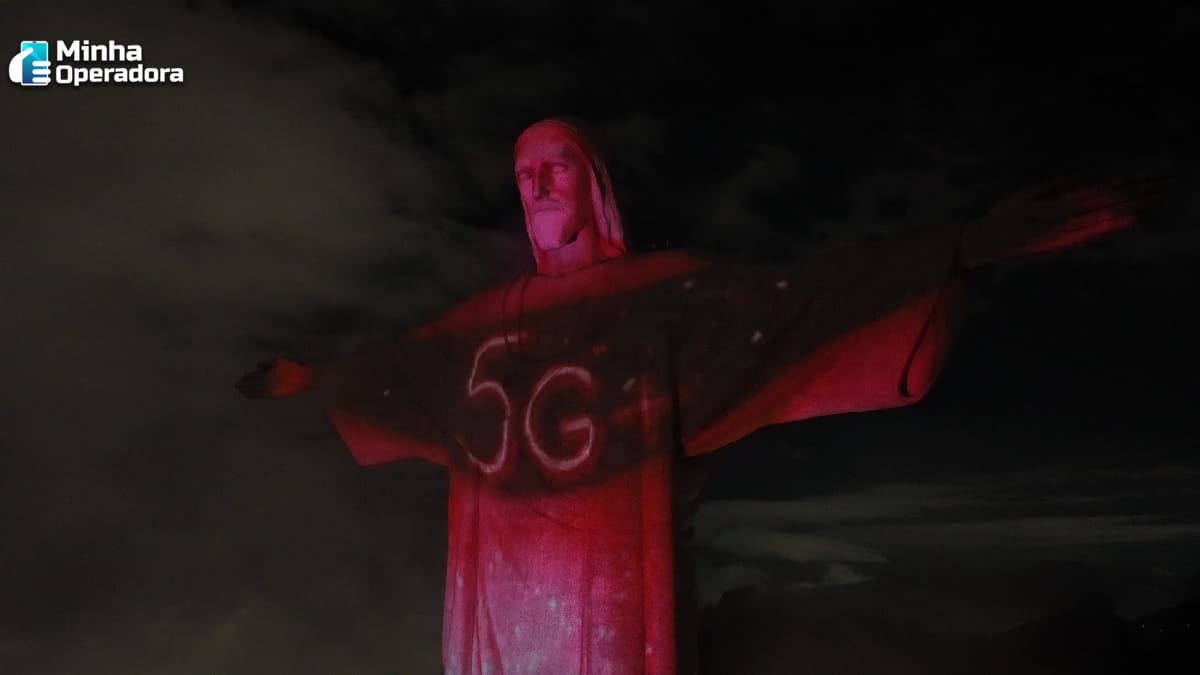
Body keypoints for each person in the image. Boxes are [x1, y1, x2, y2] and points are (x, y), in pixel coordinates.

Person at [237, 117, 1150, 674]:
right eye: (523, 174)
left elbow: (803, 301)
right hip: (495, 607)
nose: (537, 184)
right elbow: (400, 372)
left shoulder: (661, 295)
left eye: (554, 166)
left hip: (607, 597)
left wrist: (962, 246)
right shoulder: (481, 323)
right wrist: (317, 379)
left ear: (592, 184)